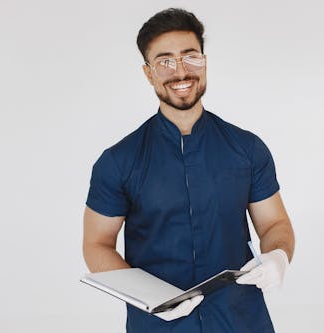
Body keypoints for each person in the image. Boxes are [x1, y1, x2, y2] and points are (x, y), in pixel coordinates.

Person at [83, 8, 295, 333]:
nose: (181, 72)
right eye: (165, 61)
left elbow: (275, 223)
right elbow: (97, 243)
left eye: (190, 57)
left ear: (205, 62)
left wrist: (278, 256)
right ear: (148, 73)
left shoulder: (247, 149)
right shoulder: (118, 161)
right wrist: (150, 299)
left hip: (241, 321)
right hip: (158, 327)